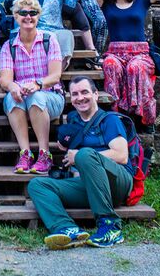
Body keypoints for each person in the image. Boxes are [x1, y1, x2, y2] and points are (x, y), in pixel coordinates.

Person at [28, 76, 135, 249]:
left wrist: (79, 156)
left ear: (95, 95)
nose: (80, 97)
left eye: (85, 92)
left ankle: (110, 226)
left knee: (85, 154)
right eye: (75, 94)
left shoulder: (109, 120)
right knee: (37, 185)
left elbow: (122, 155)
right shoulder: (74, 122)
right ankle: (67, 229)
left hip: (117, 182)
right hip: (89, 185)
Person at [0, 0, 65, 176]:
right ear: (16, 16)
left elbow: (55, 76)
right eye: (23, 13)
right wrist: (13, 87)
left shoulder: (49, 40)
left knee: (35, 96)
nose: (28, 16)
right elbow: (5, 79)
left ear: (39, 16)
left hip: (49, 95)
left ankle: (45, 154)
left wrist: (37, 84)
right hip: (21, 96)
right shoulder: (9, 46)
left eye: (33, 12)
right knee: (13, 99)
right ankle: (25, 153)